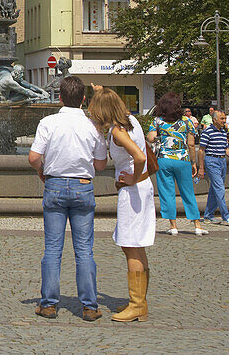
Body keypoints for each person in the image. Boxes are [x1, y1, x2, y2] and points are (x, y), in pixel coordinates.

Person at [28, 75, 107, 321]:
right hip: (83, 186)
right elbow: (101, 164)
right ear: (83, 99)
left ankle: (49, 304)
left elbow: (33, 157)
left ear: (59, 97)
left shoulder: (48, 122)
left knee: (52, 248)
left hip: (55, 185)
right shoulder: (93, 126)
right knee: (84, 250)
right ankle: (90, 306)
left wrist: (43, 170)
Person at [88, 85, 154, 322]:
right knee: (138, 245)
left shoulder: (117, 132)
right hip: (142, 188)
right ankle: (140, 303)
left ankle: (137, 305)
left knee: (130, 245)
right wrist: (100, 90)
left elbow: (139, 156)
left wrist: (133, 178)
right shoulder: (131, 121)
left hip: (133, 190)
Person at [147, 93, 207, 236]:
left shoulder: (158, 121)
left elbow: (150, 138)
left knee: (167, 192)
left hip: (164, 159)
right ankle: (197, 225)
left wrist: (159, 136)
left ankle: (173, 226)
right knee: (188, 192)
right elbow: (191, 145)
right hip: (183, 160)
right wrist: (193, 163)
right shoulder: (187, 121)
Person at [200, 110, 229, 226]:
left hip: (222, 160)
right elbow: (201, 150)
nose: (224, 121)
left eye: (224, 118)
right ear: (214, 120)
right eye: (222, 119)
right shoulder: (207, 132)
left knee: (214, 189)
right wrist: (201, 168)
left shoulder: (223, 132)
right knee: (220, 188)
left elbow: (225, 148)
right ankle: (226, 216)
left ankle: (208, 215)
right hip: (211, 160)